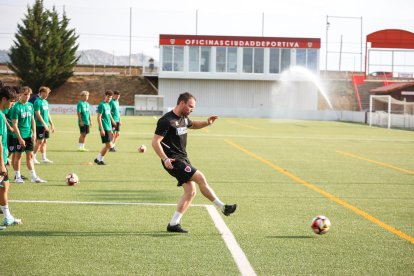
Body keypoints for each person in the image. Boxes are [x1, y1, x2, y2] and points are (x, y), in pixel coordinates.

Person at [152, 92, 237, 233]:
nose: (192, 109)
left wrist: (207, 123)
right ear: (182, 103)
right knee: (200, 177)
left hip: (183, 158)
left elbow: (193, 125)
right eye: (190, 106)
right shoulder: (166, 121)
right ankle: (223, 207)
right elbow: (155, 142)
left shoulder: (184, 118)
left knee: (191, 192)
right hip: (173, 160)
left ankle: (173, 224)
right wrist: (165, 158)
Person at [11, 86, 46, 183]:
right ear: (20, 95)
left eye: (29, 94)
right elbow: (14, 124)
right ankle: (18, 177)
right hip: (19, 136)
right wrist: (20, 138)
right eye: (25, 94)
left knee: (30, 156)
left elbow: (32, 120)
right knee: (18, 157)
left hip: (29, 135)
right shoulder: (16, 107)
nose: (27, 96)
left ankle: (34, 177)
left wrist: (34, 133)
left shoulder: (30, 105)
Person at [0, 86, 22, 227]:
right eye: (12, 101)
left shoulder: (2, 115)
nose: (13, 104)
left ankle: (7, 216)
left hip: (2, 157)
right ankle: (7, 216)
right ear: (3, 99)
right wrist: (1, 163)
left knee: (4, 186)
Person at [33, 86, 54, 164]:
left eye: (48, 93)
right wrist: (44, 124)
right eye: (46, 93)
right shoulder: (37, 101)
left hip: (46, 125)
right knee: (39, 141)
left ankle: (43, 157)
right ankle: (33, 157)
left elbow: (47, 113)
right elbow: (37, 114)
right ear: (42, 92)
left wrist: (52, 124)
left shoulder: (45, 102)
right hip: (39, 125)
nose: (47, 95)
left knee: (45, 141)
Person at [94, 90, 115, 165]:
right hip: (104, 128)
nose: (109, 98)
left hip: (108, 128)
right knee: (108, 145)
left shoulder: (108, 105)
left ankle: (98, 159)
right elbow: (99, 117)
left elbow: (108, 117)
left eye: (111, 97)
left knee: (107, 145)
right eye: (108, 96)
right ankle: (100, 160)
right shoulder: (101, 105)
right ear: (105, 96)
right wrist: (101, 129)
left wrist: (111, 127)